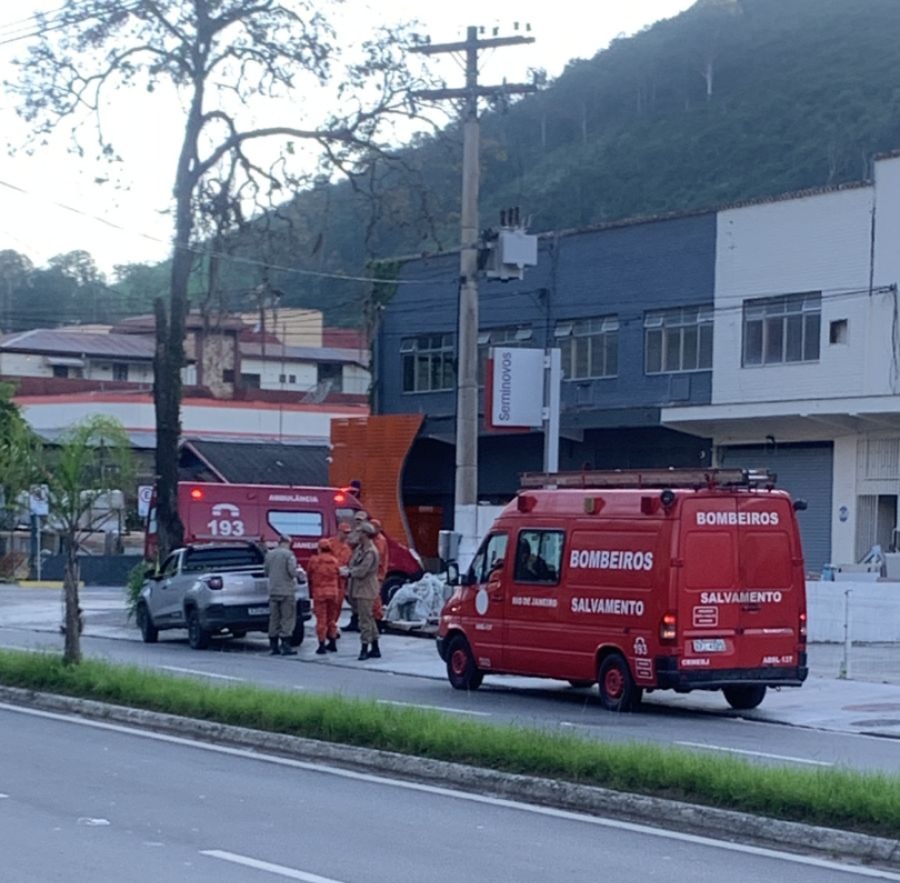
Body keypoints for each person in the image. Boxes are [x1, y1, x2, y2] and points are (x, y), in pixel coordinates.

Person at [345, 520, 380, 660]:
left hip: (366, 589)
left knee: (365, 620)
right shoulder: (361, 549)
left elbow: (362, 571)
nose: (358, 534)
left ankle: (365, 648)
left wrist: (348, 573)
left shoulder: (370, 552)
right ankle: (375, 647)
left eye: (360, 532)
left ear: (365, 534)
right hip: (359, 588)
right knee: (368, 619)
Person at [264, 535, 299, 656]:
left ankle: (273, 646)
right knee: (287, 618)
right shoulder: (289, 555)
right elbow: (292, 572)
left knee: (274, 618)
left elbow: (266, 571)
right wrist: (299, 574)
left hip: (273, 591)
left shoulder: (270, 554)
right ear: (289, 542)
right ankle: (285, 645)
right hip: (286, 591)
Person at [307, 538, 341, 655]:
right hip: (333, 593)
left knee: (321, 620)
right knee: (331, 619)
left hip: (320, 594)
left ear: (319, 548)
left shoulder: (314, 561)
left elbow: (309, 575)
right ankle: (332, 642)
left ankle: (321, 645)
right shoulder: (335, 561)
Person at [342, 510, 369, 632]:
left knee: (362, 600)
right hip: (354, 569)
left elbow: (352, 541)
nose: (358, 522)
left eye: (360, 520)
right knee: (351, 597)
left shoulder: (368, 540)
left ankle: (364, 625)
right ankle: (355, 621)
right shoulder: (355, 532)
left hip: (363, 575)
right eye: (357, 520)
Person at [370, 517, 389, 632]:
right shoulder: (375, 539)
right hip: (375, 574)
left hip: (377, 575)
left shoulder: (379, 540)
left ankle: (378, 621)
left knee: (375, 599)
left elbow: (377, 557)